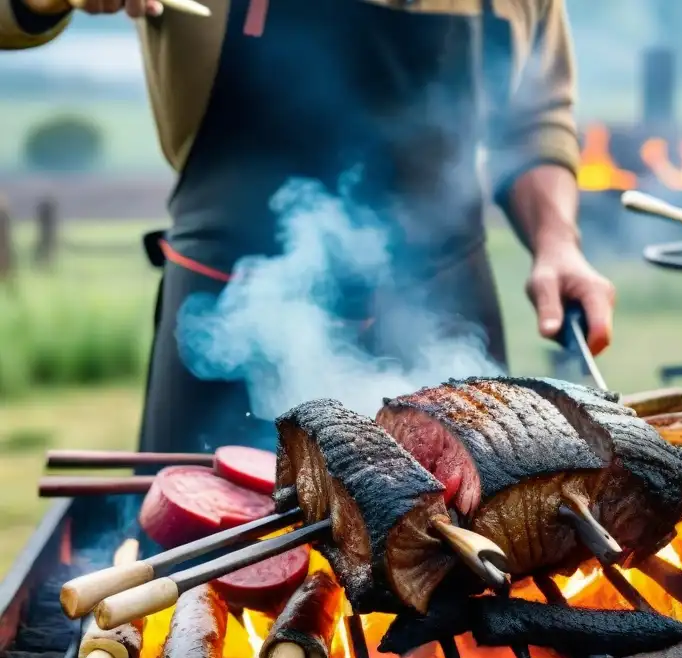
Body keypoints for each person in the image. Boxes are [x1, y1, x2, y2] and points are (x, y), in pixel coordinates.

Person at [1, 0, 616, 452]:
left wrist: (557, 241)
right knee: (191, 590)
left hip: (445, 314)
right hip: (229, 318)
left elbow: (536, 121)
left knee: (463, 592)